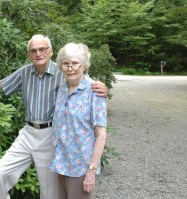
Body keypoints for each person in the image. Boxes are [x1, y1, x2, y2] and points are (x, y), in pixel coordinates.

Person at [0, 35, 108, 199]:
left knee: (50, 192)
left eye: (42, 49)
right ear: (29, 54)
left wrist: (103, 88)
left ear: (50, 52)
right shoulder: (24, 72)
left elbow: (82, 79)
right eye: (33, 50)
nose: (38, 53)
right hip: (28, 133)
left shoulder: (62, 72)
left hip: (51, 135)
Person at [49, 43, 107, 199]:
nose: (70, 68)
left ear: (84, 66)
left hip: (80, 165)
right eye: (66, 64)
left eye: (75, 63)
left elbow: (101, 135)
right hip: (61, 161)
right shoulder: (62, 87)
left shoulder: (95, 90)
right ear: (61, 66)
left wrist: (92, 171)